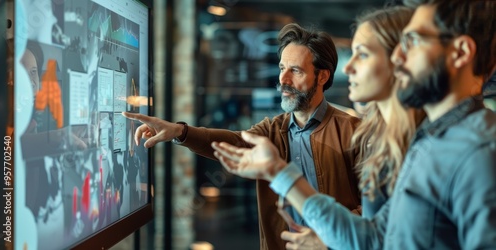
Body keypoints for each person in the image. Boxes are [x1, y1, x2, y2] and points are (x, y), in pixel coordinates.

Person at [212, 0, 496, 249]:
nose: (399, 57)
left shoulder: (479, 150)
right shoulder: (428, 142)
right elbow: (375, 239)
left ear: (459, 53)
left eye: (413, 42)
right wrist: (277, 171)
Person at [123, 23, 361, 249]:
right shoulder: (272, 130)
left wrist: (330, 240)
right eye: (281, 68)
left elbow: (377, 213)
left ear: (322, 77)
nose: (283, 80)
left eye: (295, 70)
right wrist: (180, 132)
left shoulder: (354, 131)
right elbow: (234, 141)